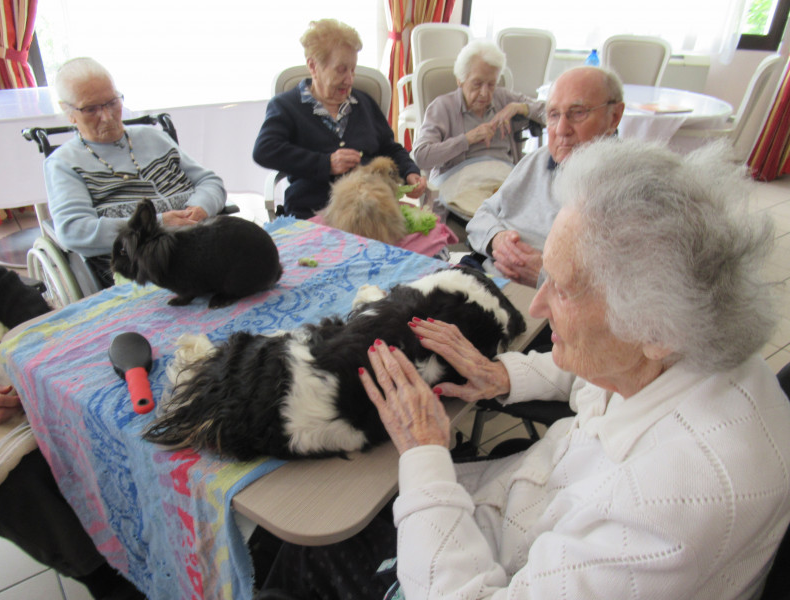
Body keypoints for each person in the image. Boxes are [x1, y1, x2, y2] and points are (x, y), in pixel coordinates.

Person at [256, 138, 790, 599]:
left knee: (311, 550)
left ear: (654, 328)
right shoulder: (690, 338)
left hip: (495, 563)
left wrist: (424, 457)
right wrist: (505, 376)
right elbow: (605, 380)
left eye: (564, 286)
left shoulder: (673, 505)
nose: (536, 306)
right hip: (515, 496)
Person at [0, 263, 144, 599]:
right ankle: (109, 578)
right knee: (25, 480)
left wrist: (38, 343)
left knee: (108, 406)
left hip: (8, 356)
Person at [44, 57, 227, 287]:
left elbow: (209, 181)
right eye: (91, 109)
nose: (107, 116)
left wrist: (200, 207)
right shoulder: (63, 163)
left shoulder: (153, 137)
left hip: (199, 239)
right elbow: (74, 230)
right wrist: (157, 225)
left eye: (112, 102)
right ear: (68, 112)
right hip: (144, 263)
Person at [466, 65, 624, 287]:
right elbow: (483, 215)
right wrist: (496, 239)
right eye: (553, 115)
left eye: (578, 113)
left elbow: (620, 290)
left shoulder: (629, 188)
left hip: (548, 303)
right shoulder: (539, 159)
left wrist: (549, 277)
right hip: (483, 273)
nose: (561, 129)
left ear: (614, 117)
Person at [252, 19, 427, 220]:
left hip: (373, 211)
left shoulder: (364, 103)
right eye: (341, 70)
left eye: (353, 69)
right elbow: (264, 150)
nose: (350, 79)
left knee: (430, 244)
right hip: (314, 212)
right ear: (313, 66)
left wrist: (409, 171)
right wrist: (326, 164)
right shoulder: (286, 106)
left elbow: (389, 147)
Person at [411, 39, 545, 218]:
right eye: (477, 84)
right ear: (460, 79)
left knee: (539, 210)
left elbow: (556, 113)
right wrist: (467, 139)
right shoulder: (442, 107)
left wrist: (520, 108)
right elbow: (421, 156)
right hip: (461, 184)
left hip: (504, 181)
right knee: (496, 215)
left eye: (491, 84)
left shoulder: (503, 98)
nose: (484, 93)